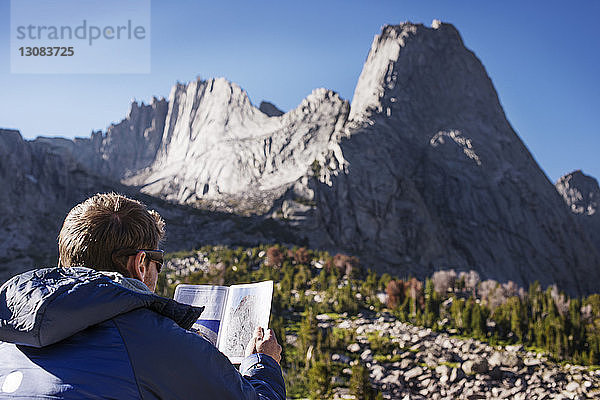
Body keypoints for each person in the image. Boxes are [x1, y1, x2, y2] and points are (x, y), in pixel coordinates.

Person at [0, 193, 284, 399]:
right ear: (139, 264)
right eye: (157, 263)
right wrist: (264, 364)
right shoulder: (156, 340)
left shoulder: (9, 333)